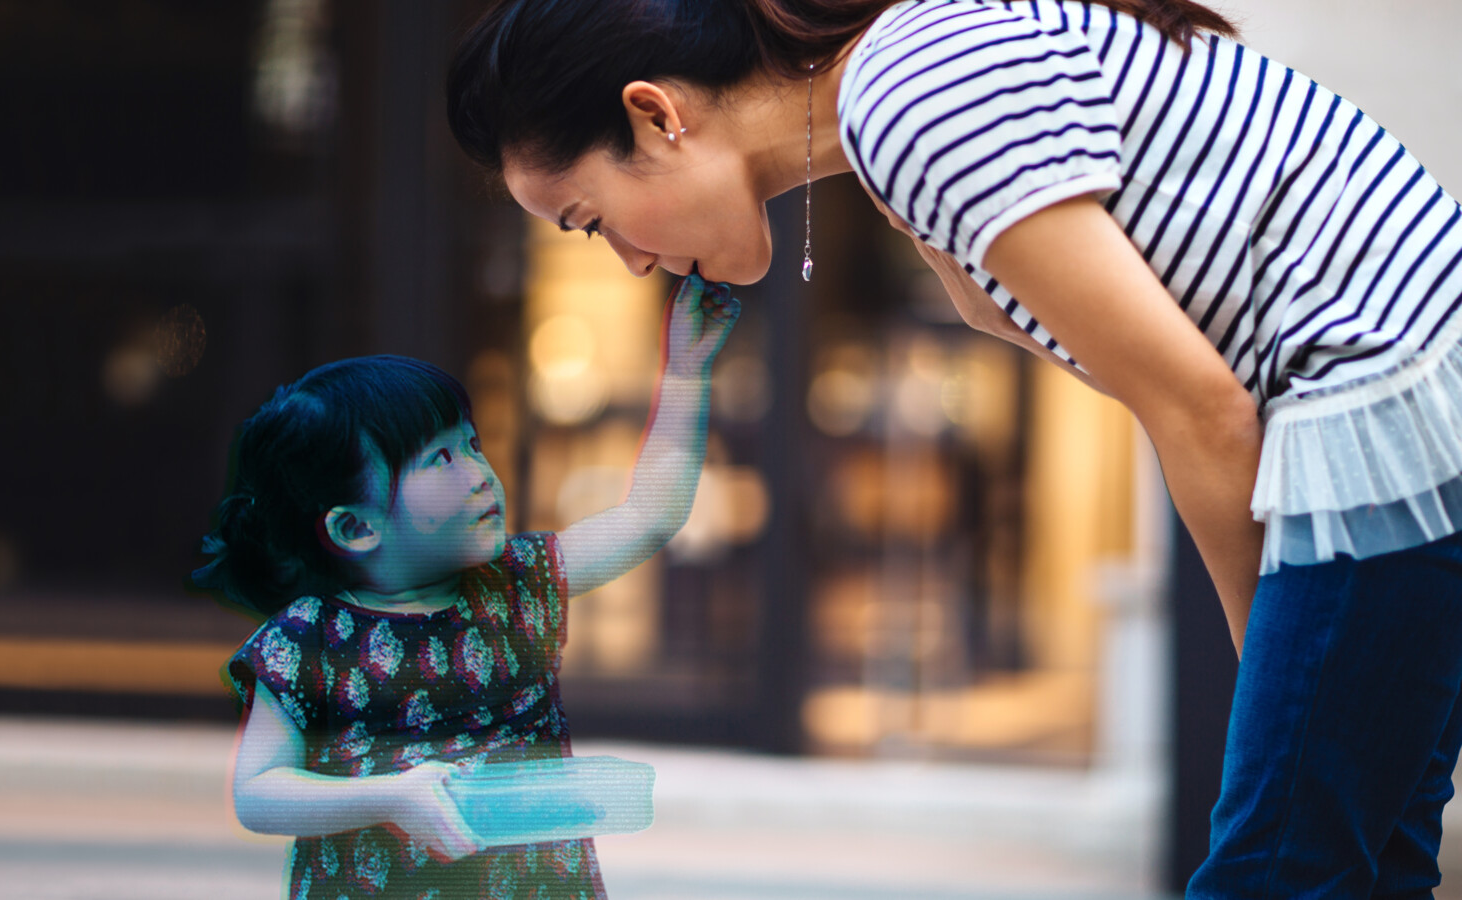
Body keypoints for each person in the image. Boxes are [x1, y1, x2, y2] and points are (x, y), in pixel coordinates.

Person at [446, 0, 1462, 896]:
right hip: (1407, 405)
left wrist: (1264, 695)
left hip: (1385, 405)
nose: (628, 262)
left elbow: (1201, 409)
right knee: (1368, 863)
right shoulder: (902, 109)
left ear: (654, 114)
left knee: (1279, 867)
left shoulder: (910, 92)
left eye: (589, 222)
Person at [193, 274, 738, 899]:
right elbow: (259, 792)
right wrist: (392, 797)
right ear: (356, 527)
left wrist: (687, 373)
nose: (480, 473)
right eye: (441, 459)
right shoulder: (309, 639)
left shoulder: (516, 583)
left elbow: (648, 517)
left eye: (471, 445)